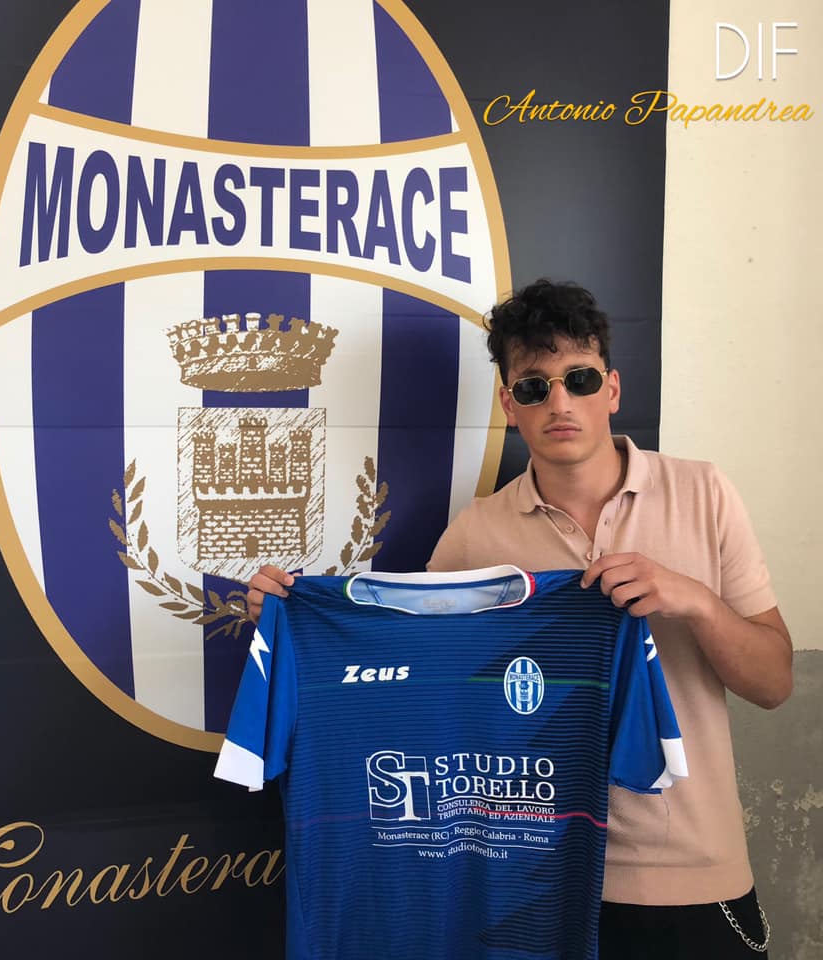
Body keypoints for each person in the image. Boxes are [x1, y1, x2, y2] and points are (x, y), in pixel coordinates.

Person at [246, 279, 792, 959]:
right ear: (510, 404)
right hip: (526, 878)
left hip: (687, 875)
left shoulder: (704, 493)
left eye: (579, 379)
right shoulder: (474, 537)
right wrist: (293, 622)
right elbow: (412, 686)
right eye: (534, 387)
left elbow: (775, 683)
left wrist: (695, 600)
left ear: (612, 389)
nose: (559, 403)